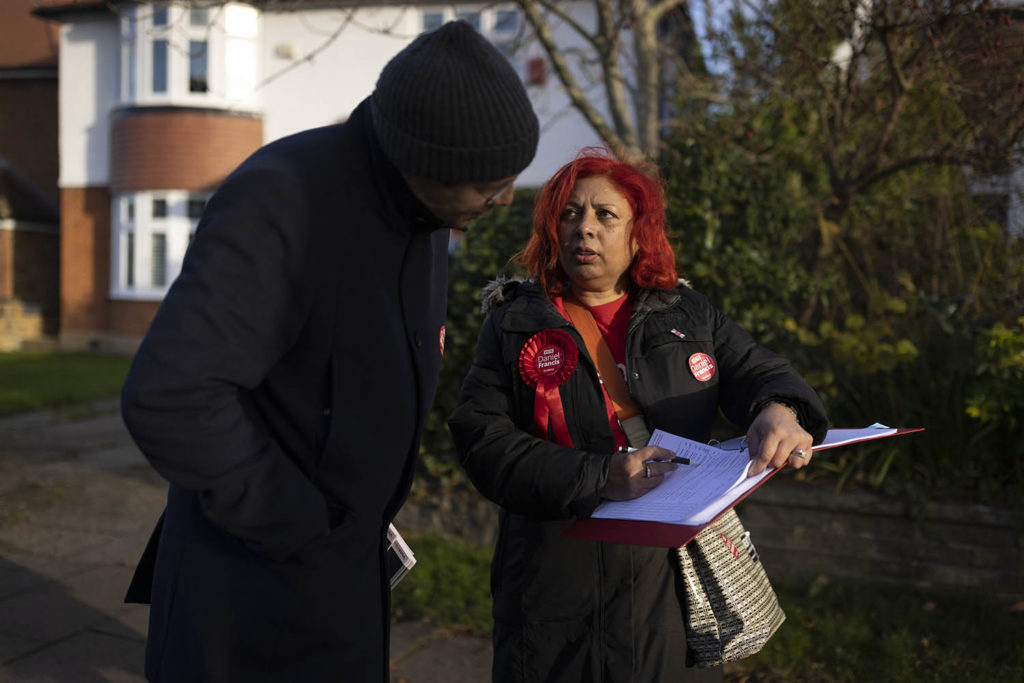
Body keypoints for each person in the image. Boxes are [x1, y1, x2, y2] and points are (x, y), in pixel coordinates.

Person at [120, 21, 539, 683]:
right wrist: (301, 526)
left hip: (344, 583)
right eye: (490, 182)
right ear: (422, 161)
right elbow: (171, 395)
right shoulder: (285, 200)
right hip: (249, 598)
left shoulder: (429, 215)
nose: (506, 198)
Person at [447, 149, 829, 682]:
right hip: (551, 580)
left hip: (669, 582)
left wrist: (778, 410)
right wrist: (599, 477)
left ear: (637, 233)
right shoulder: (513, 323)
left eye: (606, 215)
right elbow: (481, 440)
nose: (584, 228)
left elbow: (762, 372)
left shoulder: (687, 313)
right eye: (570, 213)